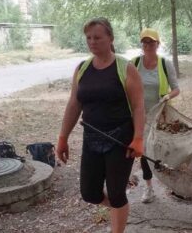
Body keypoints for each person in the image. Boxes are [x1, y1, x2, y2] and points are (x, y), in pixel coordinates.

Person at [55, 17, 145, 233]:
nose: (92, 42)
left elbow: (139, 107)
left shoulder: (126, 68)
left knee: (116, 193)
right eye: (88, 38)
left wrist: (138, 138)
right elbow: (74, 104)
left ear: (110, 39)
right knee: (89, 193)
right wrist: (62, 137)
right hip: (92, 138)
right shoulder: (82, 68)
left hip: (120, 138)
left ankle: (117, 218)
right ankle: (119, 209)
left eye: (97, 37)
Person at [132, 28, 180, 204]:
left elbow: (176, 89)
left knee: (163, 151)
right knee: (144, 152)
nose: (147, 45)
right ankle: (149, 187)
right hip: (140, 117)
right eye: (144, 42)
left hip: (161, 117)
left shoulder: (165, 64)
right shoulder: (134, 63)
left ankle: (173, 184)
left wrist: (167, 95)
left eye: (151, 42)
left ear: (158, 44)